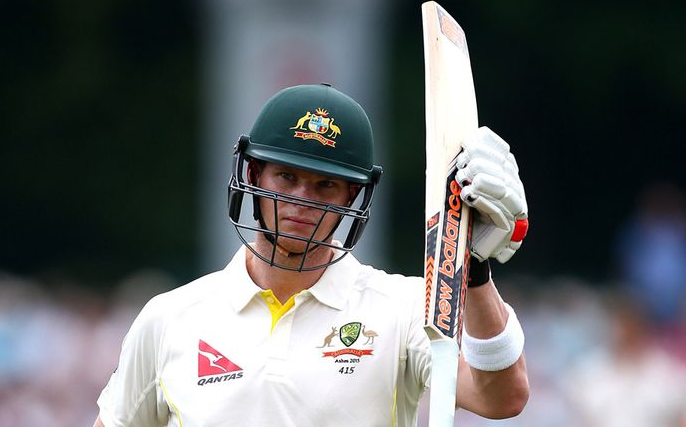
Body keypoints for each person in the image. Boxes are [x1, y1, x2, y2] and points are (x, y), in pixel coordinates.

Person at [93, 84, 530, 427]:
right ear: (253, 173)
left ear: (353, 194)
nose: (304, 201)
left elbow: (503, 398)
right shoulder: (169, 319)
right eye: (287, 177)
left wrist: (471, 271)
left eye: (325, 185)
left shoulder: (402, 309)